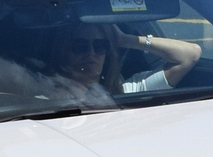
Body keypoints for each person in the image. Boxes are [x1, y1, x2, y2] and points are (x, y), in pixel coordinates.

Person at [36, 22, 202, 107]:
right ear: (63, 52)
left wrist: (126, 40)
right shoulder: (43, 99)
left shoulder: (128, 91)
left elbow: (190, 55)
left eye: (100, 45)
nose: (91, 53)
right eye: (80, 46)